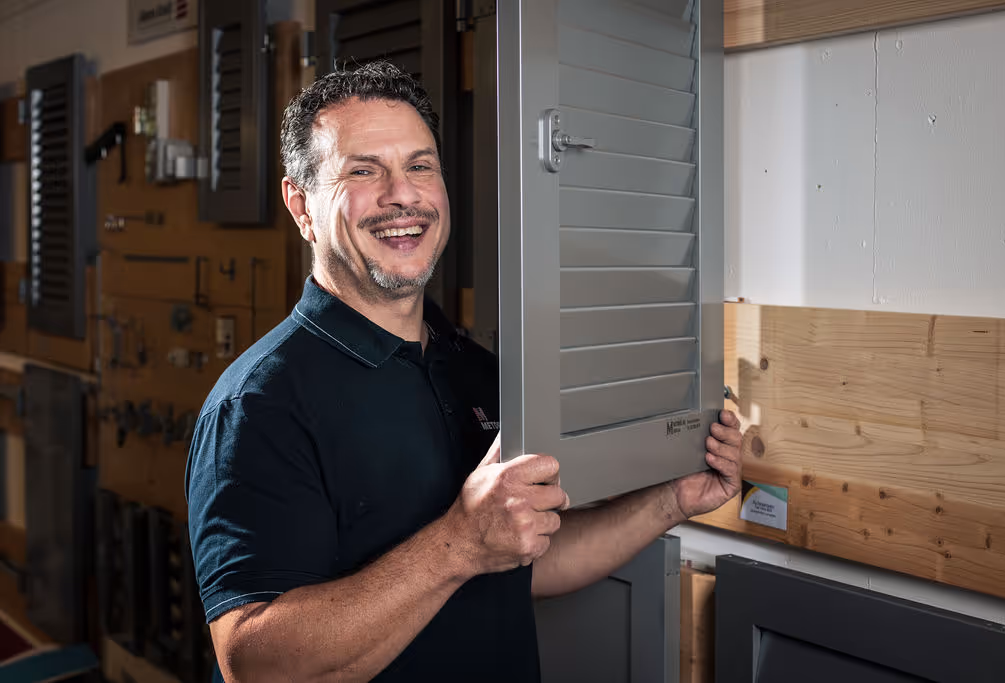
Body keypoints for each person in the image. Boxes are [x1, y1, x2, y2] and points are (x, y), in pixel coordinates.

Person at [185, 60, 743, 683]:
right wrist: (458, 545)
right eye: (363, 171)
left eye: (420, 166)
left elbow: (523, 557)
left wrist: (671, 500)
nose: (403, 195)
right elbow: (253, 663)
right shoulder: (259, 404)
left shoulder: (476, 371)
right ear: (301, 206)